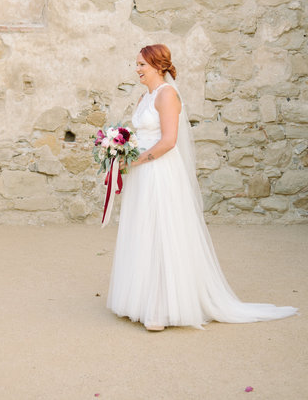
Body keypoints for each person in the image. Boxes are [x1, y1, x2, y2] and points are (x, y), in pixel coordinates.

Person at [107, 44, 297, 331]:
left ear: (158, 66)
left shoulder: (167, 95)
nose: (137, 70)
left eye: (142, 65)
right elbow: (139, 136)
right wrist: (119, 149)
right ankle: (142, 300)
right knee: (142, 230)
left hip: (159, 172)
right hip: (142, 175)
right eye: (136, 64)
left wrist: (134, 162)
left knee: (161, 233)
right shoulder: (143, 99)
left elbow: (169, 141)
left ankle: (161, 308)